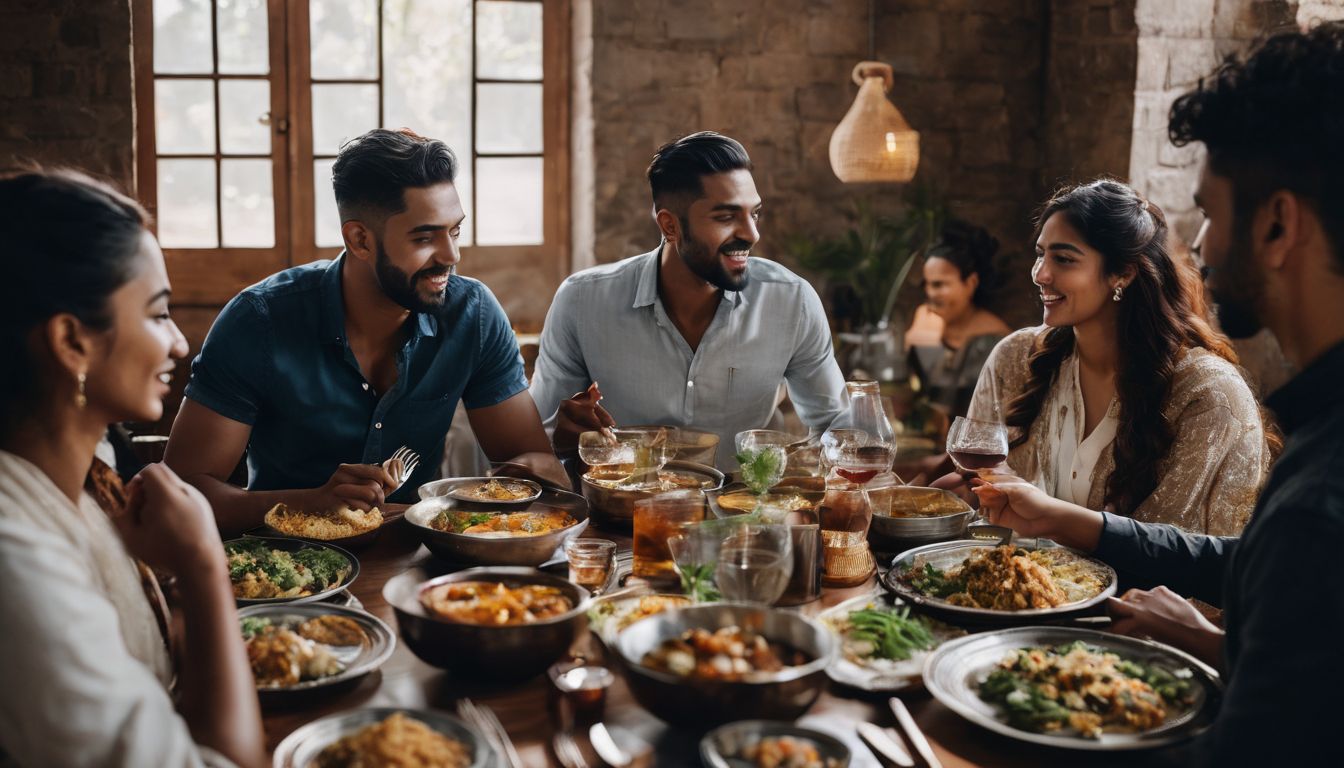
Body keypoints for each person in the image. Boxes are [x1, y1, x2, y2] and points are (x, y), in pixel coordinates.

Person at [974, 22, 1344, 764]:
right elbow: (1251, 576)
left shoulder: (1316, 499)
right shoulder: (1318, 446)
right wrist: (1068, 521)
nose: (1198, 247)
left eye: (1210, 210)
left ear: (1277, 224)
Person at [165, 129, 565, 534]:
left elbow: (528, 461)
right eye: (424, 237)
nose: (451, 255)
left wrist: (558, 455)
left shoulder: (472, 314)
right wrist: (310, 502)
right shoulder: (259, 320)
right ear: (359, 239)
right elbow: (182, 493)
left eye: (455, 230)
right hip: (287, 567)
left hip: (422, 559)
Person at [0, 168, 265, 767]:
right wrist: (202, 566)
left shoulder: (85, 483)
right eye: (157, 313)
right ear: (72, 341)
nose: (178, 343)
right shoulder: (16, 559)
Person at [953, 179, 1267, 536]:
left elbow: (1182, 558)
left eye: (1064, 259)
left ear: (1123, 273)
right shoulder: (1014, 358)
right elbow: (980, 514)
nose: (1040, 274)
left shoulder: (1207, 396)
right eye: (1041, 254)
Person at [528, 132, 846, 471]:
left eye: (755, 213)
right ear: (670, 225)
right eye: (726, 217)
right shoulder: (582, 302)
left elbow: (839, 430)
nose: (752, 233)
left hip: (746, 514)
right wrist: (564, 437)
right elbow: (534, 442)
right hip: (622, 514)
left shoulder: (791, 301)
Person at [904, 219, 1013, 417]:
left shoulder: (995, 338)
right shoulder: (925, 320)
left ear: (970, 283)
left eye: (939, 285)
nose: (930, 293)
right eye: (926, 285)